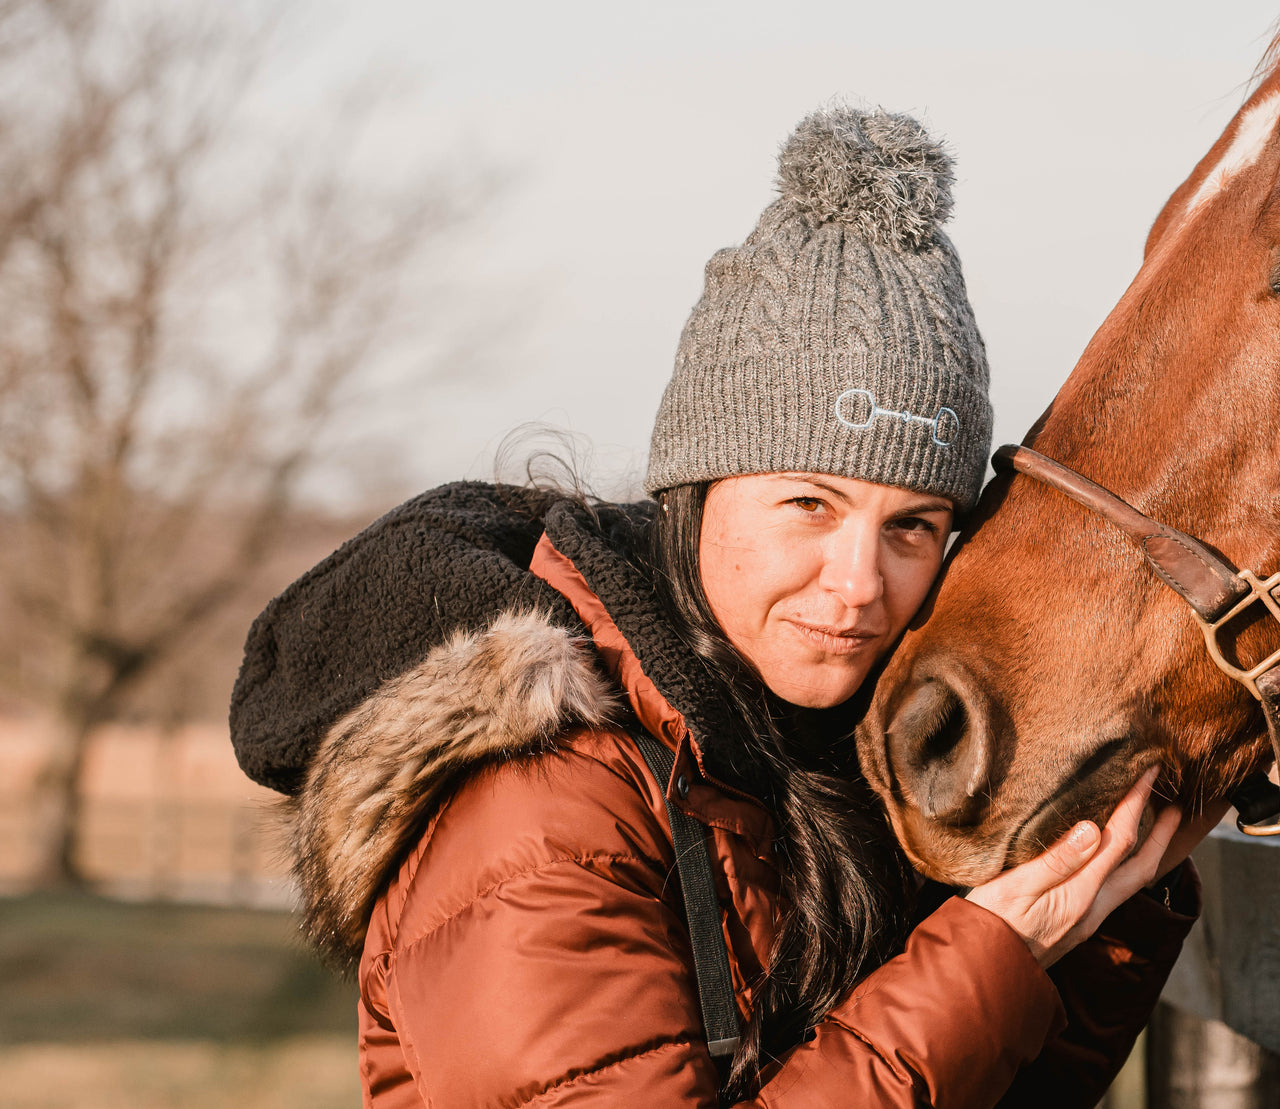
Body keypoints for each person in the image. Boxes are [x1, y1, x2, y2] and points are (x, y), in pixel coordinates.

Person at [229, 107, 1215, 1107]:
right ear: (694, 496)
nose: (860, 581)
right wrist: (994, 952)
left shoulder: (826, 758)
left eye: (914, 524)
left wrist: (1090, 910)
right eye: (809, 505)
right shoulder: (547, 799)